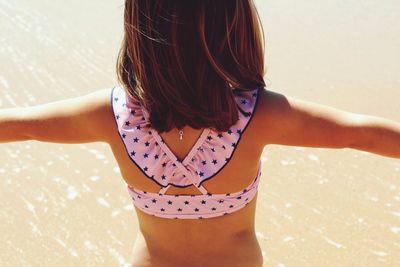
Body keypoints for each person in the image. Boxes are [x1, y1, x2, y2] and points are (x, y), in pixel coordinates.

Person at [1, 1, 399, 266]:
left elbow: (19, 125)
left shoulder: (111, 114)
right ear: (233, 26)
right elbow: (360, 134)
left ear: (139, 29)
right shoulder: (257, 115)